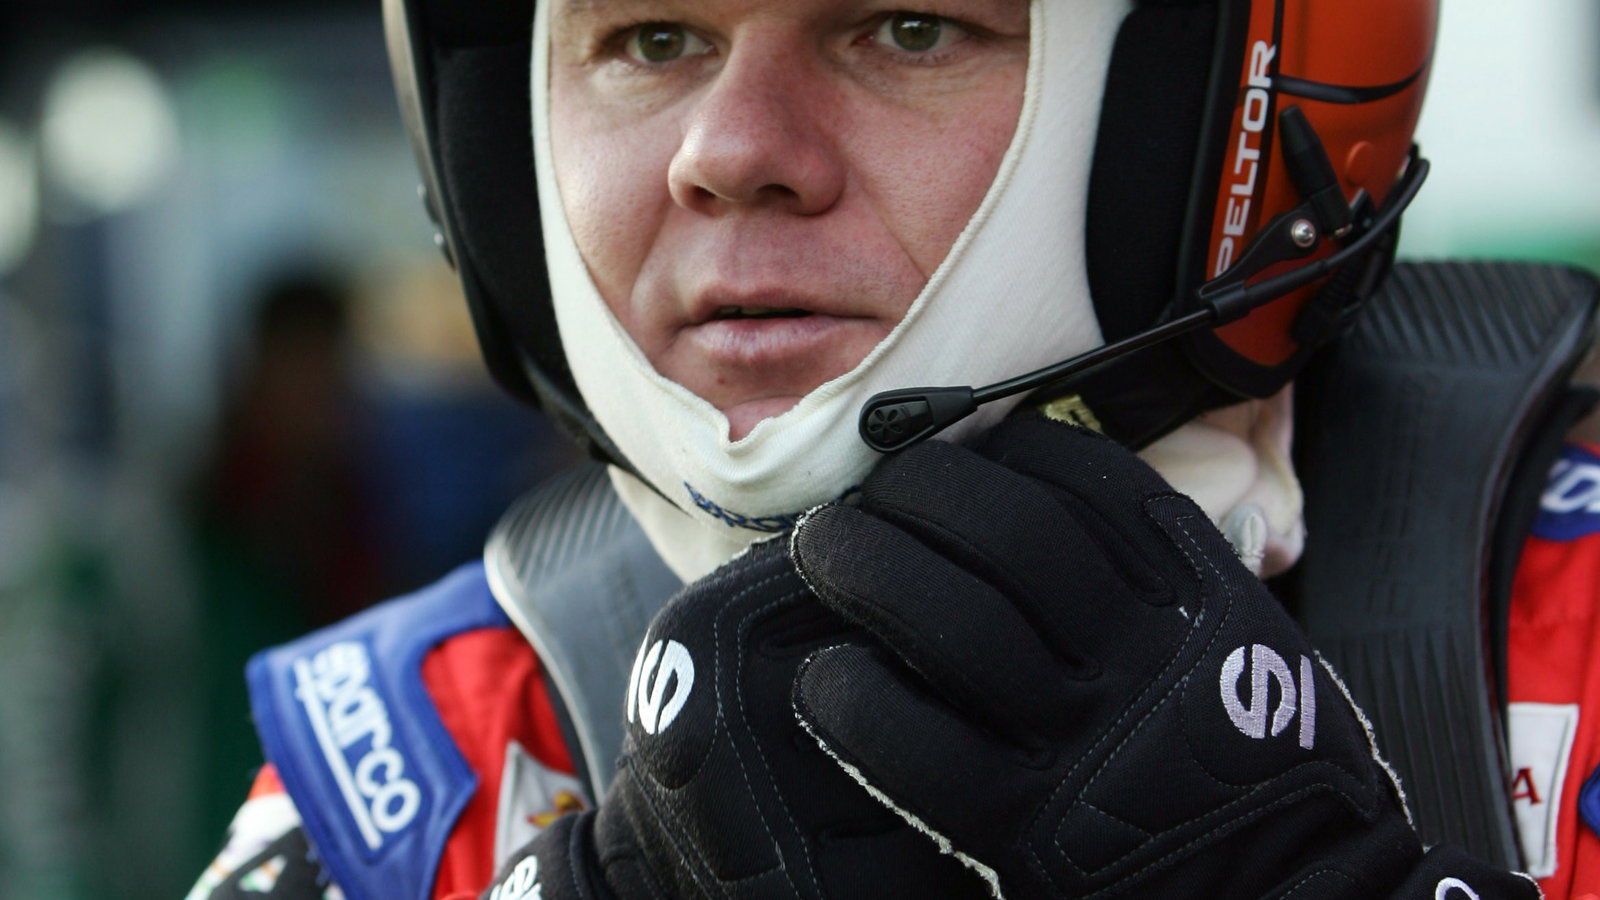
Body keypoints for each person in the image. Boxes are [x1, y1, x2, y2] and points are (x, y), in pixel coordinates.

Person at [188, 0, 1600, 897]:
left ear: (1210, 108)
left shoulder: (1566, 629)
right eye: (651, 38)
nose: (730, 151)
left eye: (908, 26)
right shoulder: (417, 761)